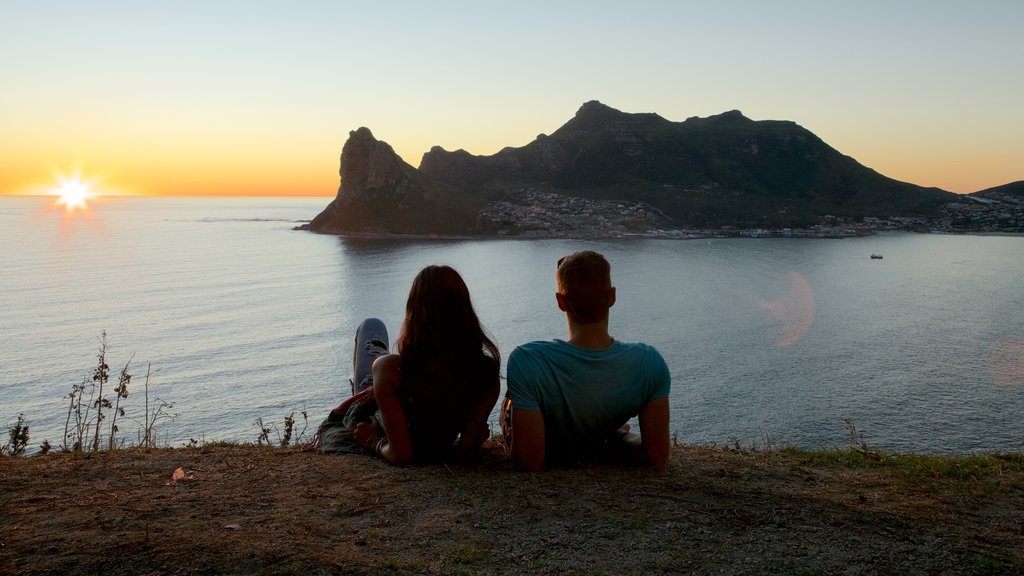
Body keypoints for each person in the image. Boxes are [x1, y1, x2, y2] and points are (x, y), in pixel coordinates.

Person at [314, 265, 500, 465]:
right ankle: (373, 386)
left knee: (371, 326)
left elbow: (402, 455)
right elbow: (464, 453)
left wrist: (371, 440)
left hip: (379, 402)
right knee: (379, 359)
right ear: (465, 311)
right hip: (401, 385)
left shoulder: (392, 370)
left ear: (415, 313)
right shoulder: (487, 375)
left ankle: (371, 384)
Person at [503, 250, 671, 470]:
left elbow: (529, 461)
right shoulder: (649, 363)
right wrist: (612, 441)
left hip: (548, 445)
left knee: (511, 400)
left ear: (560, 301)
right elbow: (657, 456)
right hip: (608, 440)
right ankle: (613, 434)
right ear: (612, 297)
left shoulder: (528, 360)